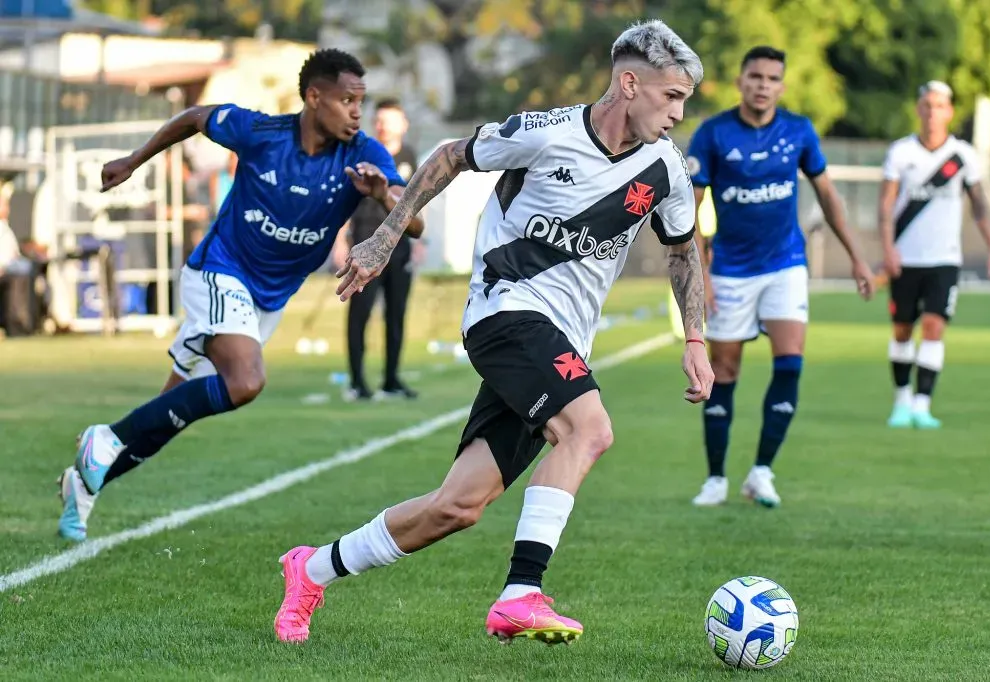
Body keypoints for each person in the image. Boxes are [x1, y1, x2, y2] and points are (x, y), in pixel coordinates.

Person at [272, 19, 714, 645]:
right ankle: (521, 592)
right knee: (589, 430)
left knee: (457, 506)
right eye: (671, 97)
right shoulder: (547, 132)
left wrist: (694, 339)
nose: (677, 113)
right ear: (630, 83)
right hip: (506, 312)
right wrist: (386, 233)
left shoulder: (665, 171)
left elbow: (681, 250)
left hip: (561, 339)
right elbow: (450, 156)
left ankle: (310, 569)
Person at [56, 49, 423, 542]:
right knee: (246, 380)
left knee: (171, 412)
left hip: (264, 301)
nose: (358, 111)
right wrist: (133, 160)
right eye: (347, 100)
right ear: (315, 98)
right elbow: (194, 118)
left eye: (362, 100)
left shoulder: (364, 153)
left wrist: (382, 194)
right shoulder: (261, 133)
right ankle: (106, 438)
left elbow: (414, 222)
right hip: (217, 272)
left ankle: (81, 483)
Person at [686, 46, 875, 509]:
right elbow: (687, 212)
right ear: (740, 81)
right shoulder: (712, 134)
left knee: (790, 362)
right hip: (729, 269)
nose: (763, 85)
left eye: (772, 78)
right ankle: (715, 478)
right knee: (724, 372)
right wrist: (702, 275)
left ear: (782, 86)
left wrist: (857, 256)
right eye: (755, 76)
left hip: (787, 263)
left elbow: (828, 198)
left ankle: (762, 472)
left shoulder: (799, 131)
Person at [878, 80, 990, 430]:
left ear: (949, 111)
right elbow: (885, 205)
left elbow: (980, 208)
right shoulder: (901, 153)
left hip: (945, 259)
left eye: (939, 106)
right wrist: (887, 249)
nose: (932, 112)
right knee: (903, 329)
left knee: (934, 326)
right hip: (905, 258)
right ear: (919, 109)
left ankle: (922, 404)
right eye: (927, 106)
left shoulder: (963, 156)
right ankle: (901, 400)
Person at [343, 98, 420, 400]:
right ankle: (357, 381)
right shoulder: (363, 155)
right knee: (360, 313)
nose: (384, 125)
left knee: (397, 313)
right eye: (380, 119)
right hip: (365, 241)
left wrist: (419, 242)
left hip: (399, 245)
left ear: (403, 124)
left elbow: (417, 201)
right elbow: (345, 200)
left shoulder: (410, 155)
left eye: (391, 119)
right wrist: (341, 241)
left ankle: (391, 379)